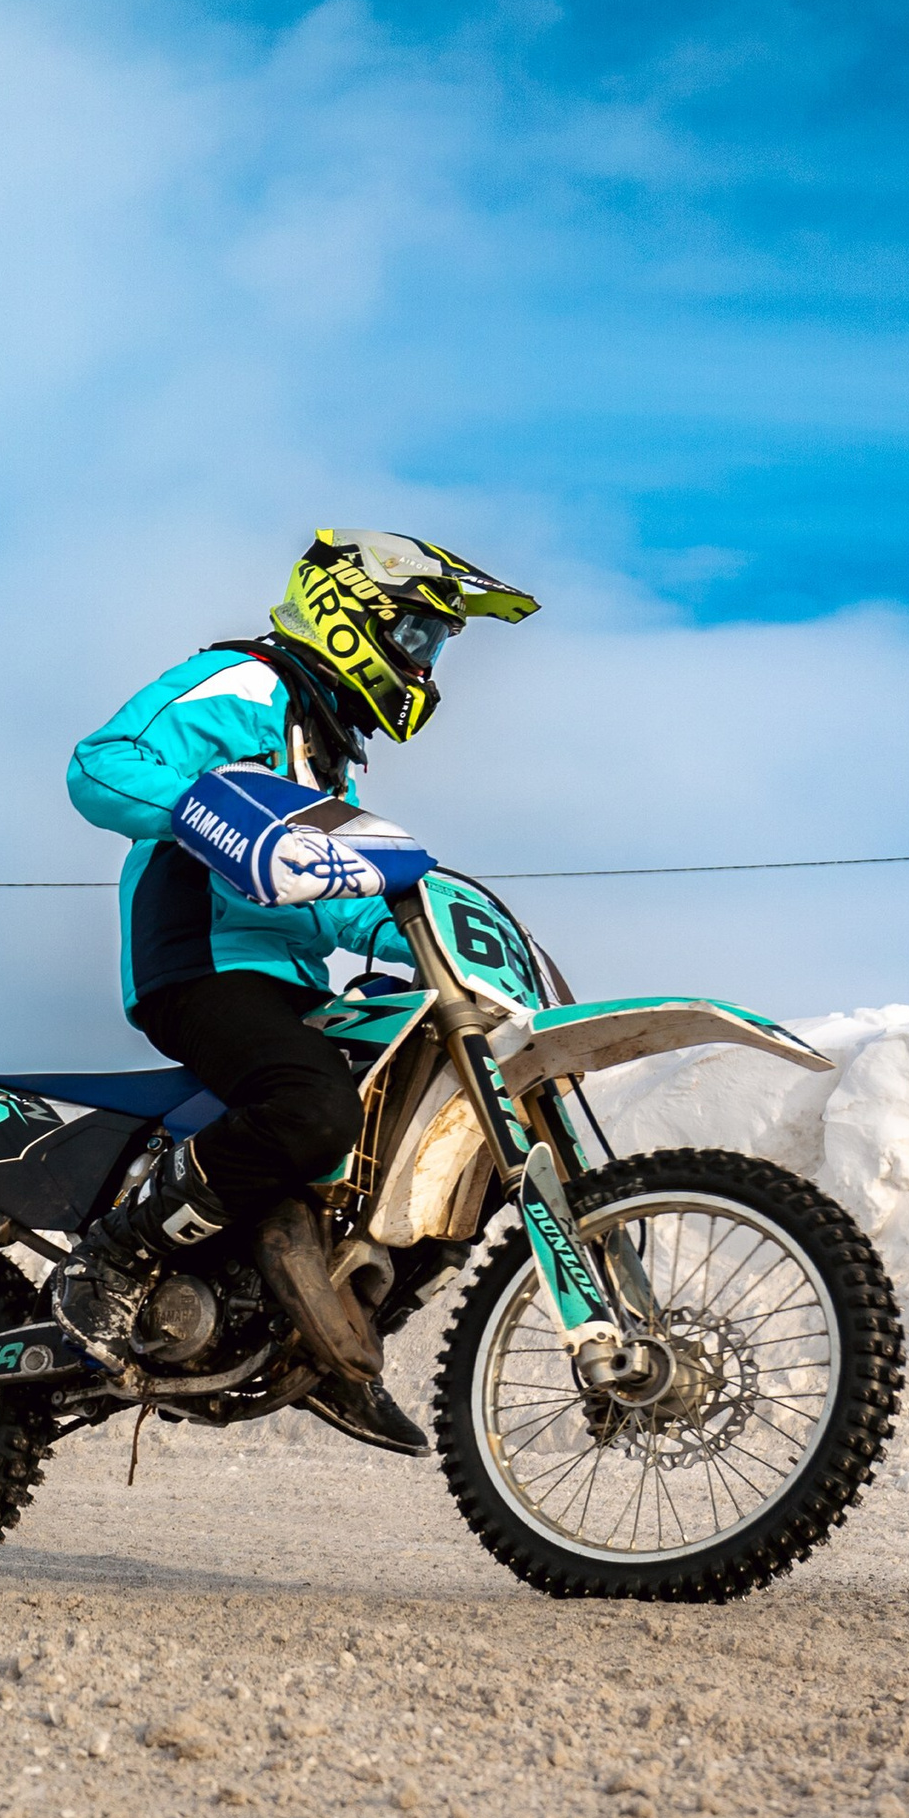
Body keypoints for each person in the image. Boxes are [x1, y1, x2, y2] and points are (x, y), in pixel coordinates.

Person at [60, 526, 539, 1448]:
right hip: (201, 962)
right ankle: (115, 1258)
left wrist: (429, 935)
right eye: (417, 633)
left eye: (436, 644)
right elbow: (104, 762)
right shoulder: (248, 683)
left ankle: (328, 1341)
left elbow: (331, 904)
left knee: (449, 1141)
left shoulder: (330, 754)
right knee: (311, 1108)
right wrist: (204, 813)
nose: (426, 660)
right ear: (353, 610)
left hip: (294, 983)